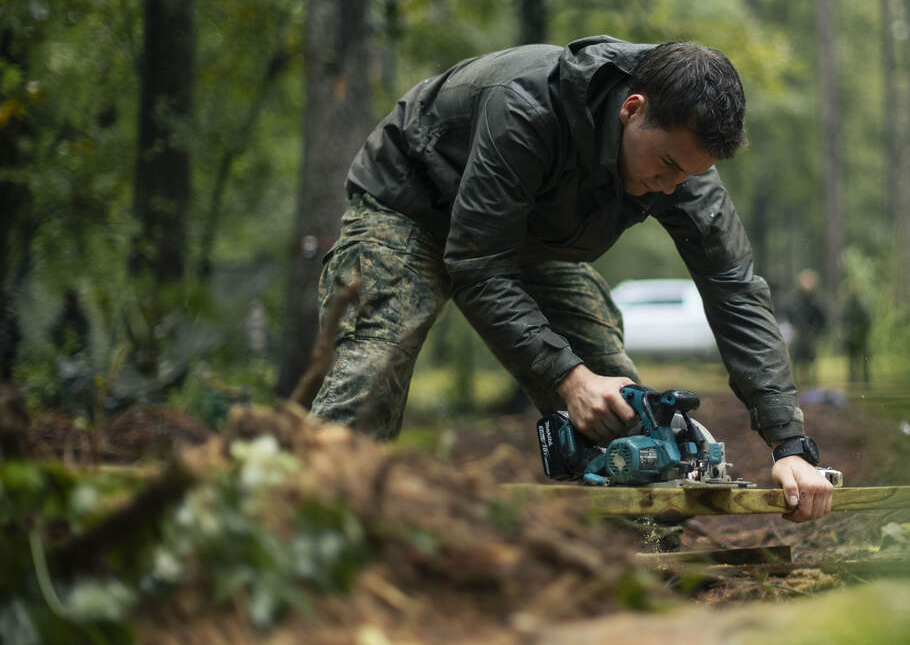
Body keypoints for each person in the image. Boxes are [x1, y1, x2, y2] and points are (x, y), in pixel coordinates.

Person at [311, 36, 833, 522]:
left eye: (689, 176)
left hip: (530, 238)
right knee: (372, 369)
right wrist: (567, 377)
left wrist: (790, 446)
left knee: (623, 403)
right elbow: (478, 267)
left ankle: (633, 551)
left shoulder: (683, 163)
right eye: (668, 165)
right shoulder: (524, 106)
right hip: (411, 208)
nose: (673, 189)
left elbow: (735, 290)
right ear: (633, 109)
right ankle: (308, 530)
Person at [786, 268, 829, 390]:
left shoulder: (816, 301)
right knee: (797, 360)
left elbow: (822, 319)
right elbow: (790, 315)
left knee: (810, 361)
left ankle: (811, 385)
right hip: (798, 336)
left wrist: (817, 333)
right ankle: (796, 385)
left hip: (810, 337)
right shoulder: (795, 300)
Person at [841, 288, 871, 385]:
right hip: (856, 338)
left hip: (859, 338)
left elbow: (867, 322)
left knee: (855, 361)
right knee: (855, 361)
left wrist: (856, 332)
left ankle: (857, 380)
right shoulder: (860, 307)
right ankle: (859, 380)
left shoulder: (850, 307)